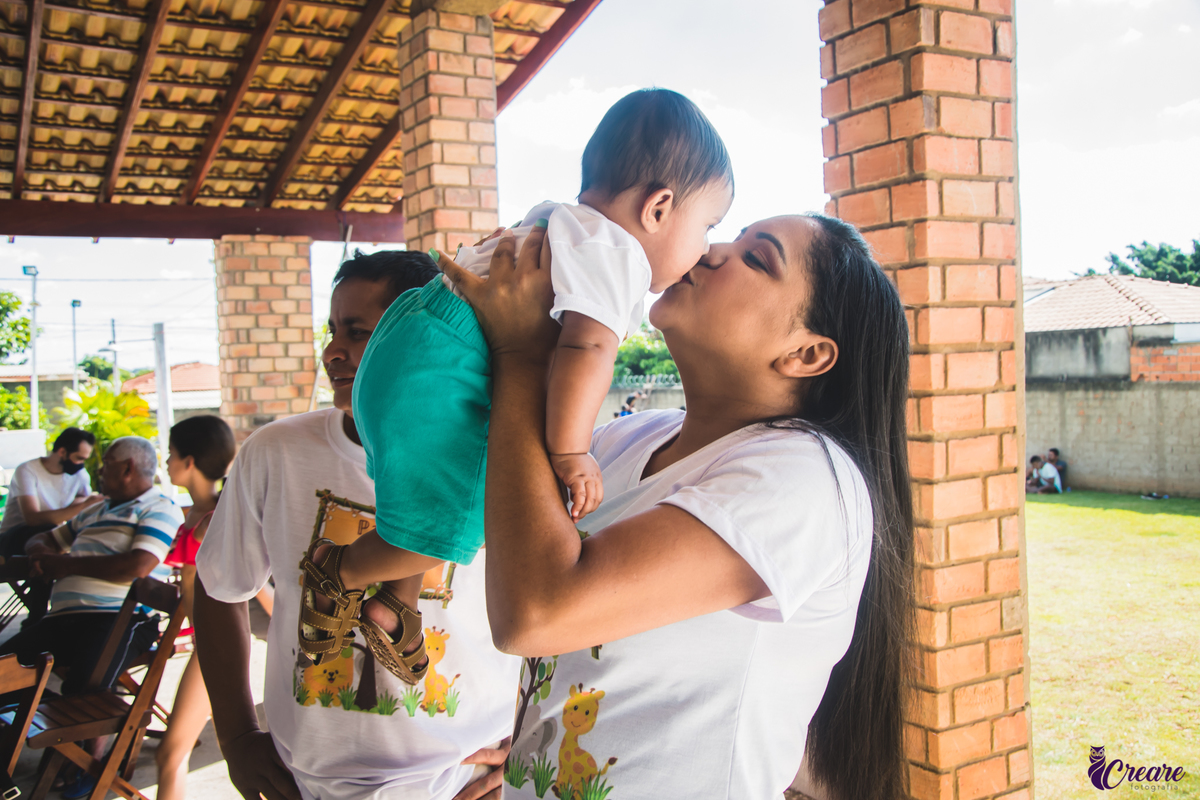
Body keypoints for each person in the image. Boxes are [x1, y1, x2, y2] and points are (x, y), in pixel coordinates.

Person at [440, 213, 916, 800]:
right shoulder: (623, 440)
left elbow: (535, 612)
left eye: (756, 258)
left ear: (807, 354)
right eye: (730, 237)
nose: (712, 250)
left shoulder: (806, 476)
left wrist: (520, 353)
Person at [298, 88, 734, 686]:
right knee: (464, 519)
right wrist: (570, 451)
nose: (706, 248)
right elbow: (588, 350)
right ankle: (340, 568)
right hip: (442, 368)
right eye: (707, 225)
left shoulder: (556, 217)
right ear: (659, 208)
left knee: (431, 498)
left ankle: (394, 604)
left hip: (413, 344)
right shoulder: (617, 252)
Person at [193, 250, 520, 800]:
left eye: (359, 331)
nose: (331, 351)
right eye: (332, 330)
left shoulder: (504, 459)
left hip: (467, 781)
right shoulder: (276, 453)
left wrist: (528, 742)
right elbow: (218, 587)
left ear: (415, 346)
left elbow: (553, 613)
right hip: (309, 785)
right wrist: (237, 737)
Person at [0, 436, 182, 695]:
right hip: (64, 618)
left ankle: (63, 722)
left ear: (128, 468)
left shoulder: (159, 508)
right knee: (3, 672)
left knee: (84, 692)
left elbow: (137, 566)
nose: (99, 470)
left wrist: (66, 565)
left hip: (119, 619)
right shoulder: (94, 511)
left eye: (106, 464)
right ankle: (45, 717)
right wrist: (42, 555)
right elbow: (42, 537)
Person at [154, 414, 252, 800]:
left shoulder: (219, 518)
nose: (166, 462)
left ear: (189, 461)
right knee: (171, 754)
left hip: (215, 647)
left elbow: (259, 594)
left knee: (170, 754)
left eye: (170, 454)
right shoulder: (194, 514)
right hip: (199, 643)